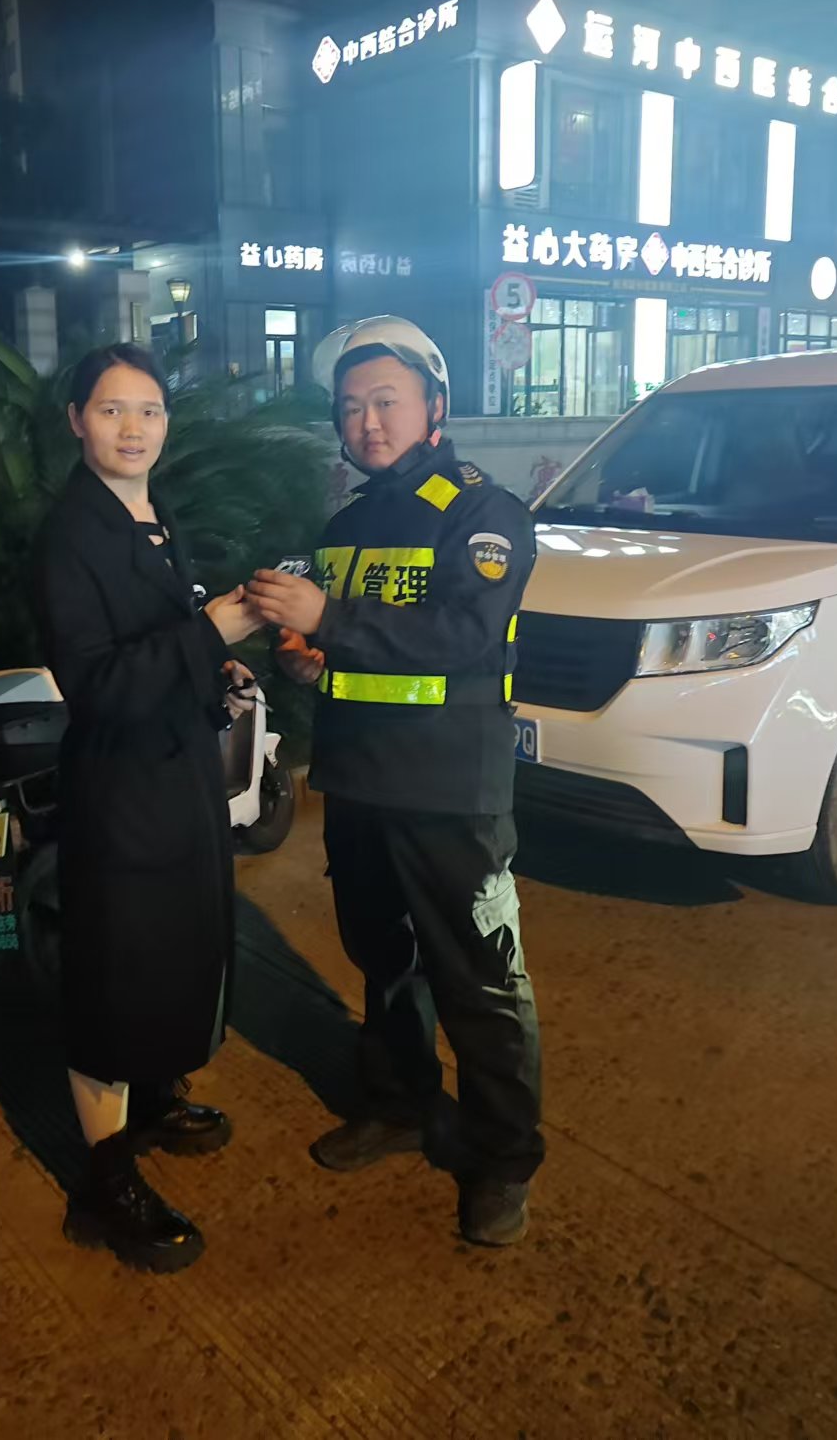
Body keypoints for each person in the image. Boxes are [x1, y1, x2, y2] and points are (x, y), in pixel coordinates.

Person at [247, 316, 543, 1248]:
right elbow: (350, 649)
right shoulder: (345, 526)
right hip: (359, 781)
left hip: (450, 788)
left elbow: (462, 635)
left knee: (480, 984)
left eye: (386, 401)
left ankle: (502, 1159)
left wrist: (329, 617)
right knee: (385, 965)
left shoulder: (482, 513)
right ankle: (401, 1103)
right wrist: (307, 659)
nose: (367, 422)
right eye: (349, 407)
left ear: (433, 407)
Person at [32, 344, 262, 1272]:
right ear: (75, 421)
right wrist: (209, 632)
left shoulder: (154, 515)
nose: (134, 429)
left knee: (178, 945)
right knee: (115, 975)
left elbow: (165, 642)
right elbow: (97, 687)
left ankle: (156, 1098)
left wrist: (220, 664)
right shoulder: (67, 538)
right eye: (112, 410)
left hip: (180, 778)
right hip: (121, 788)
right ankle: (104, 1179)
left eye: (151, 410)